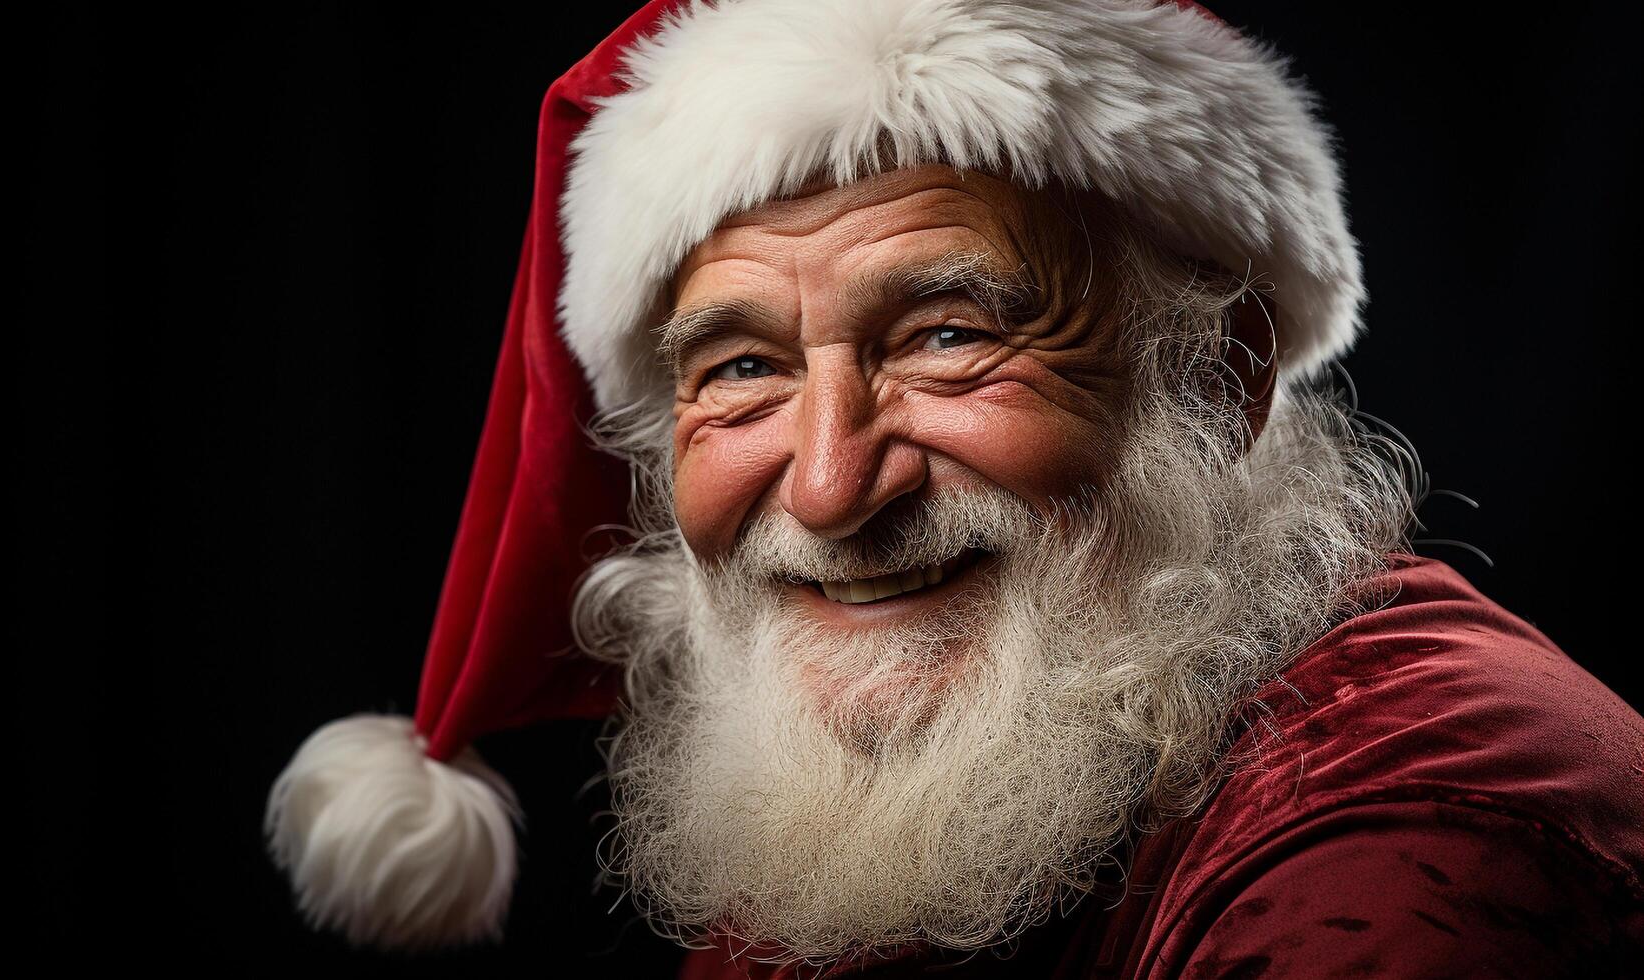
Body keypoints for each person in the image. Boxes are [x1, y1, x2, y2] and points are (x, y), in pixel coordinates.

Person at [264, 1, 1644, 975]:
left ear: (1216, 385)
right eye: (741, 367)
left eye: (948, 334)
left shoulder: (1425, 856)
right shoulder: (916, 785)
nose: (826, 484)